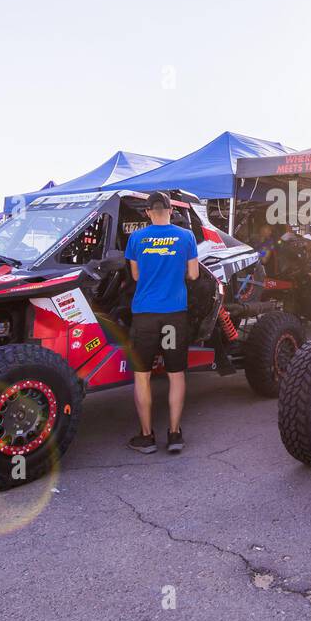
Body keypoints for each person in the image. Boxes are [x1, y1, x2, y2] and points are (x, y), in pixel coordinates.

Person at [124, 192, 199, 454]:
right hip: (175, 313)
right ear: (170, 210)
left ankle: (147, 437)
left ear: (147, 212)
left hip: (145, 314)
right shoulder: (186, 237)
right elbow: (193, 273)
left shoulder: (136, 238)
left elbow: (135, 276)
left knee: (142, 376)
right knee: (175, 374)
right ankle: (175, 435)